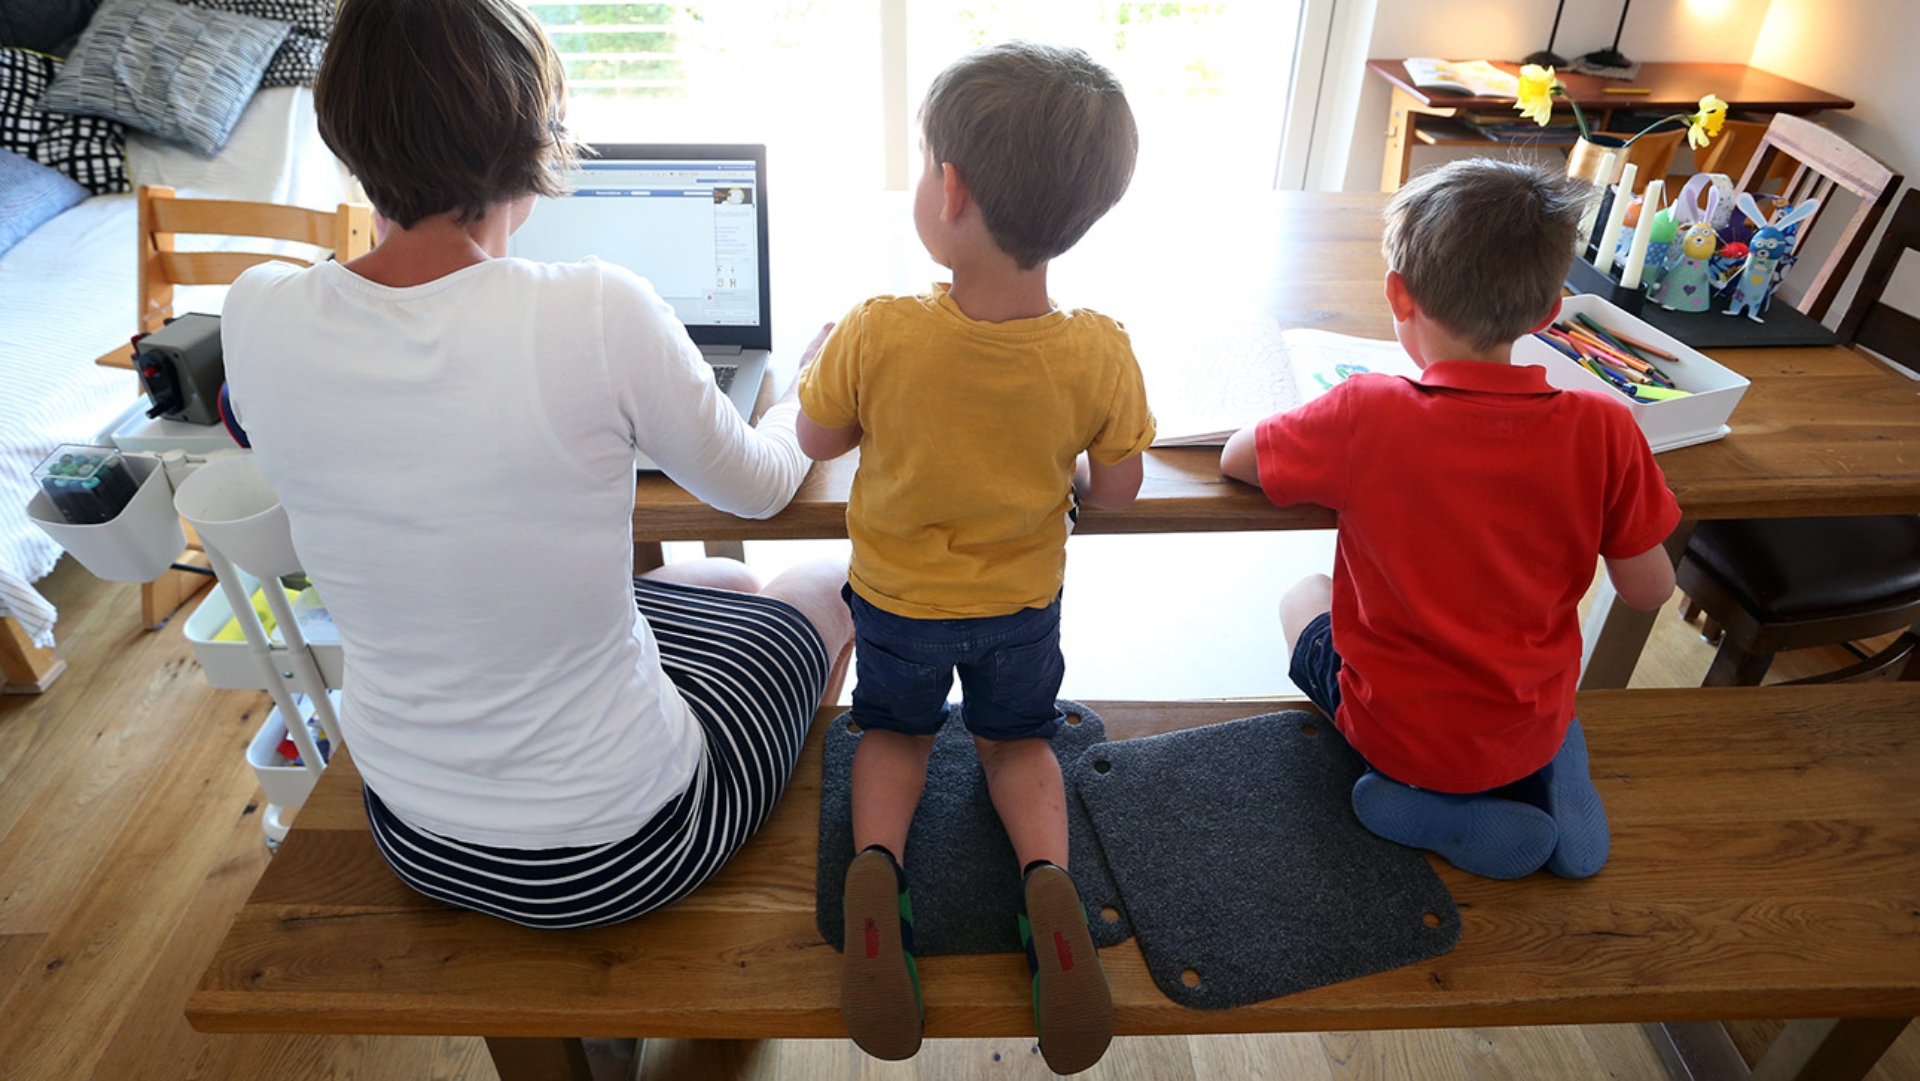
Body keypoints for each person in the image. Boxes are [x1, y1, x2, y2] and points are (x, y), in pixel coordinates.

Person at [219, 0, 853, 931]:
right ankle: (766, 877)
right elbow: (761, 487)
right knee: (826, 579)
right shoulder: (594, 307)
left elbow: (254, 426)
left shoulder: (257, 308)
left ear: (349, 138)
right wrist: (808, 388)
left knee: (714, 578)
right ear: (529, 136)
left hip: (414, 827)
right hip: (629, 846)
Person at [795, 41, 1151, 1074]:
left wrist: (818, 365)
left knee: (897, 736)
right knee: (1016, 742)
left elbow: (815, 442)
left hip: (901, 607)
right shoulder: (1096, 347)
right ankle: (1048, 881)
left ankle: (876, 868)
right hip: (1021, 608)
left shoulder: (877, 331)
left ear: (949, 189)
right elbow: (1118, 488)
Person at [1221, 158, 1681, 882]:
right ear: (1547, 313)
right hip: (1528, 718)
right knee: (1536, 696)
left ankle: (1430, 805)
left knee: (1303, 595)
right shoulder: (1605, 427)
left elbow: (1238, 455)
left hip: (1399, 735)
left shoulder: (1366, 411)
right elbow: (1650, 590)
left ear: (1398, 295)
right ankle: (1548, 768)